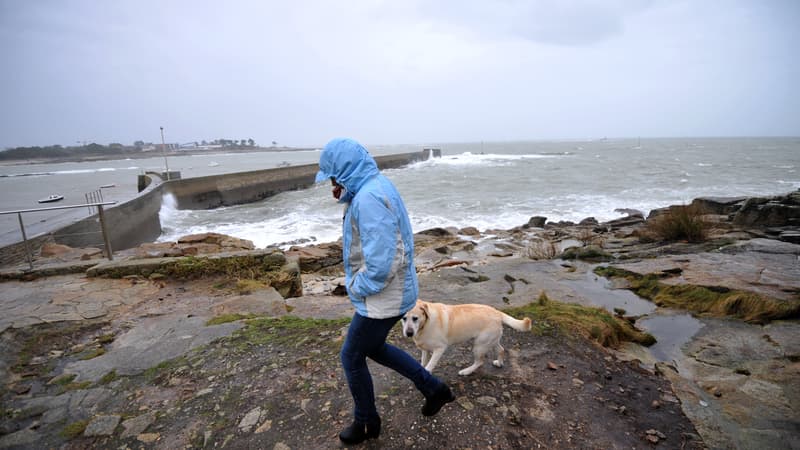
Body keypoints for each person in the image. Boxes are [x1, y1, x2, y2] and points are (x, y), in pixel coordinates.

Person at [315, 138, 455, 445]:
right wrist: (344, 194)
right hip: (397, 291)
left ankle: (366, 423)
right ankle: (434, 388)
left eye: (334, 178)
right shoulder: (374, 186)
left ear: (346, 171)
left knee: (352, 356)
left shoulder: (368, 200)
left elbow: (381, 265)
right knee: (374, 347)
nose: (333, 185)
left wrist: (354, 286)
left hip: (383, 297)